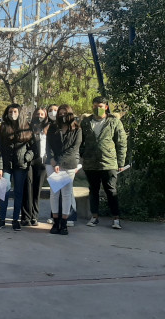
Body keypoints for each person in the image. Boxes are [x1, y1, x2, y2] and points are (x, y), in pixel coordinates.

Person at [80, 96, 127, 229]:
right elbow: (80, 140)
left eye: (100, 106)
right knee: (93, 190)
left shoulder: (114, 122)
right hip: (91, 163)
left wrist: (121, 162)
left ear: (106, 107)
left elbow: (121, 142)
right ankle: (94, 217)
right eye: (95, 106)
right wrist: (83, 153)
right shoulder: (86, 122)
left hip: (109, 162)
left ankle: (116, 218)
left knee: (111, 190)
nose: (97, 108)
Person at [0, 104, 35, 231]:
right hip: (5, 166)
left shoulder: (27, 127)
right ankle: (1, 219)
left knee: (18, 193)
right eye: (10, 112)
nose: (12, 114)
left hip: (21, 166)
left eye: (15, 111)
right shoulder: (3, 127)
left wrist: (26, 158)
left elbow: (33, 149)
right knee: (3, 192)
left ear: (19, 113)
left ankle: (15, 220)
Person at [47, 105, 82, 235]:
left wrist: (59, 162)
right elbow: (49, 145)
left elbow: (73, 149)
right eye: (59, 114)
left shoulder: (77, 129)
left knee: (67, 194)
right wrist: (52, 159)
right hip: (53, 164)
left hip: (68, 164)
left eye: (64, 113)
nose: (62, 116)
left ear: (70, 114)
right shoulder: (53, 128)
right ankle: (56, 223)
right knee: (54, 193)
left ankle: (64, 223)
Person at [21, 106, 52, 227]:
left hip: (42, 162)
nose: (39, 116)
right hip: (29, 161)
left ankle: (34, 216)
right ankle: (25, 216)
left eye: (42, 115)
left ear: (45, 116)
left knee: (37, 189)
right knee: (27, 187)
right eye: (37, 114)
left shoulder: (49, 128)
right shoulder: (28, 127)